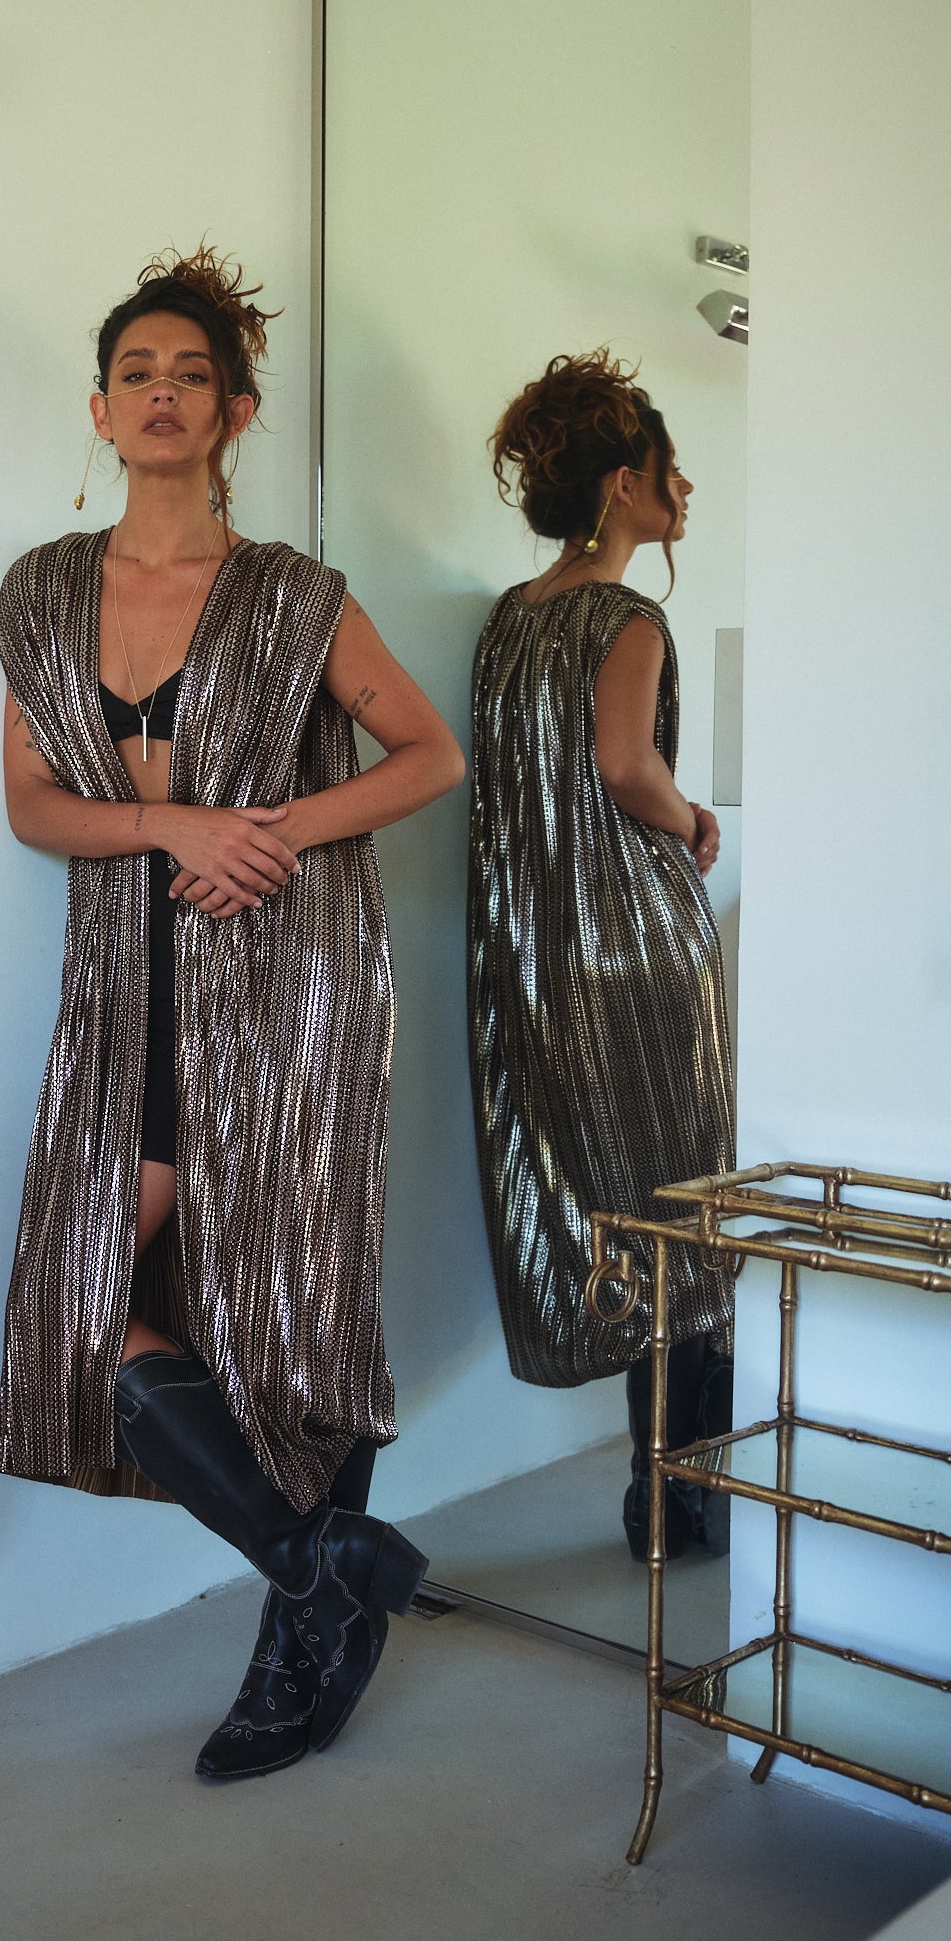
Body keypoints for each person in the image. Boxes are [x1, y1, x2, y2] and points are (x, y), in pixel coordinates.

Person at [0, 246, 465, 1778]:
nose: (162, 394)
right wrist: (168, 827)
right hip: (123, 992)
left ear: (234, 411)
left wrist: (270, 830)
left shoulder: (293, 597)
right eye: (136, 373)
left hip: (289, 990)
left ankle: (294, 1651)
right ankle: (323, 1571)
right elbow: (33, 804)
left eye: (191, 375)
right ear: (99, 407)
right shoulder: (43, 590)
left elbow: (429, 757)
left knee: (293, 1312)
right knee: (80, 1304)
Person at [468, 349, 735, 1562]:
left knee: (608, 1210)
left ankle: (660, 1491)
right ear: (625, 483)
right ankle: (677, 1497)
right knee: (688, 1209)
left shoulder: (508, 619)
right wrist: (694, 817)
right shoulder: (630, 617)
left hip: (535, 959)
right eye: (673, 468)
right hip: (637, 948)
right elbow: (628, 767)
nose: (687, 487)